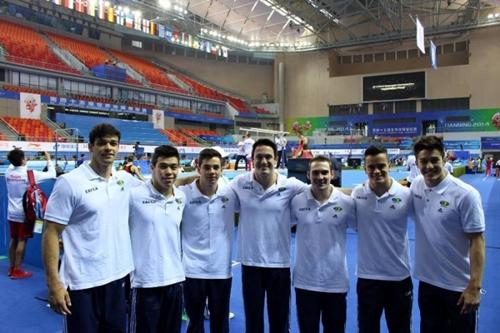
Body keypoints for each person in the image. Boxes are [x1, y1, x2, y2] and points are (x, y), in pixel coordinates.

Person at [42, 124, 140, 333]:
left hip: (118, 277)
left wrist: (193, 179)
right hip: (82, 283)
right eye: (102, 143)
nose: (108, 148)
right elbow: (51, 232)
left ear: (119, 147)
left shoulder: (125, 180)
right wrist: (54, 283)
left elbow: (157, 188)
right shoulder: (70, 183)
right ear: (91, 147)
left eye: (113, 143)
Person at [229, 138, 308, 333]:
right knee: (253, 321)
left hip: (279, 264)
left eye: (268, 157)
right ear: (252, 159)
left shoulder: (290, 185)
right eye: (259, 157)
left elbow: (320, 192)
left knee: (279, 321)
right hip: (251, 263)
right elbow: (214, 190)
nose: (264, 161)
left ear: (275, 160)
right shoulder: (240, 183)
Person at [411, 135, 485, 333]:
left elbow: (477, 241)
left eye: (434, 160)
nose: (429, 166)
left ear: (444, 158)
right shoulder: (417, 185)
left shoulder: (466, 194)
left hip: (458, 288)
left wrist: (474, 287)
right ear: (417, 162)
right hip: (427, 285)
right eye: (423, 161)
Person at [352, 145, 413, 333]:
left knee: (400, 329)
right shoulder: (358, 194)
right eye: (371, 167)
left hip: (399, 276)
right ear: (365, 169)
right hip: (368, 278)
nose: (376, 171)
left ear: (390, 166)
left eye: (381, 165)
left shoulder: (406, 195)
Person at [291, 155, 355, 333]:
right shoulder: (297, 202)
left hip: (335, 282)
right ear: (308, 175)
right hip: (305, 282)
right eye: (315, 173)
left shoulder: (346, 203)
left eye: (324, 172)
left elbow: (364, 229)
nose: (320, 177)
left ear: (332, 174)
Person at [178, 148, 237, 333]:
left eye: (215, 167)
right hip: (192, 270)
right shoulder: (182, 193)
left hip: (221, 271)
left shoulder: (231, 193)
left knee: (220, 323)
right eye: (207, 167)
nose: (212, 172)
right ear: (198, 168)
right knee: (194, 323)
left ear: (222, 169)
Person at [129, 145, 186, 333]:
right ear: (152, 167)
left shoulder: (181, 197)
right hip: (145, 282)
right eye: (162, 166)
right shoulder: (133, 196)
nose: (168, 172)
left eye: (173, 166)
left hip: (175, 280)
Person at [6, 149, 56, 279]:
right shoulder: (30, 174)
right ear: (22, 160)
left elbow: (14, 163)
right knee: (22, 240)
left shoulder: (8, 172)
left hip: (11, 212)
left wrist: (22, 161)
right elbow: (52, 173)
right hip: (24, 213)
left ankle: (11, 267)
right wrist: (48, 159)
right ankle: (17, 270)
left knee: (14, 239)